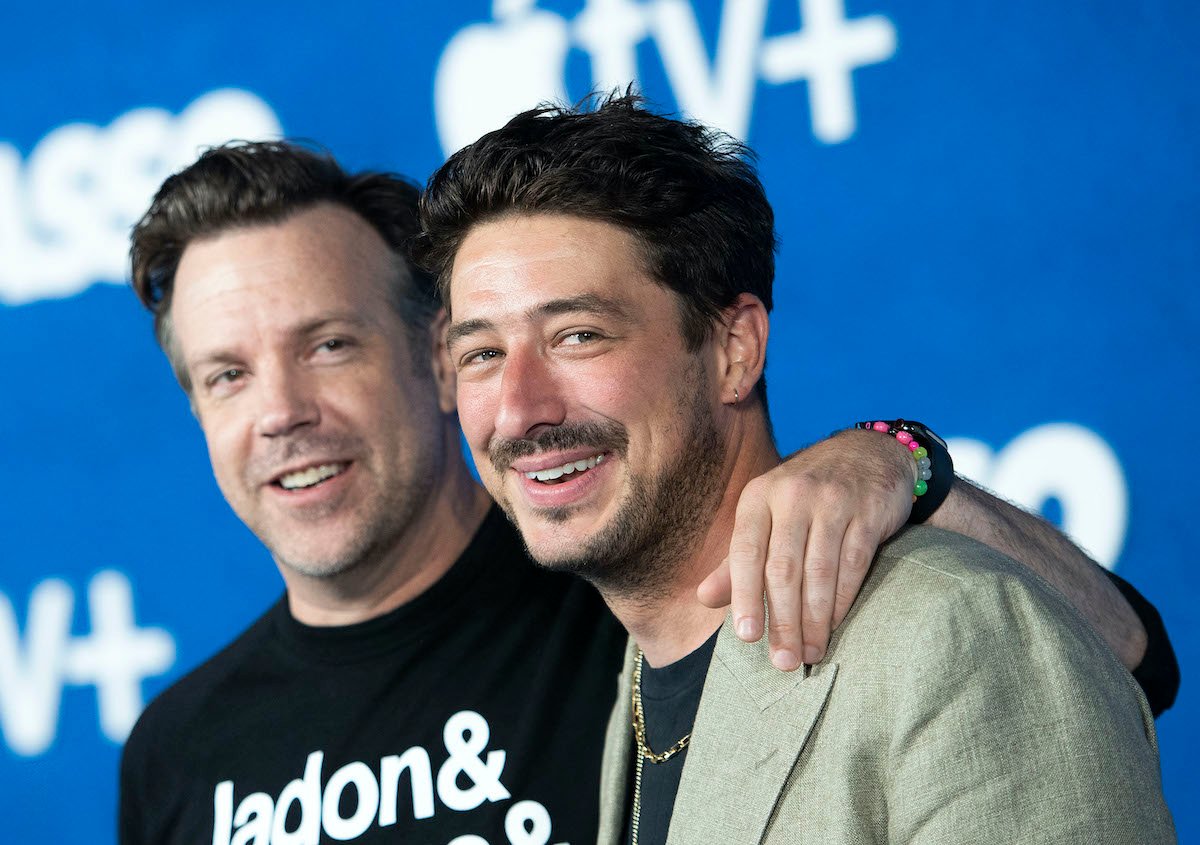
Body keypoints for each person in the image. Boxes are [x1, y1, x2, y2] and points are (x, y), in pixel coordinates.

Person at [120, 140, 1173, 845]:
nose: (281, 411)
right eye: (226, 373)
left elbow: (1116, 651)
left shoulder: (608, 585)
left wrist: (900, 459)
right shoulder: (174, 750)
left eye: (330, 344)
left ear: (421, 359)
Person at [420, 95, 1176, 843]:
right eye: (482, 354)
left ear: (734, 350)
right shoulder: (634, 684)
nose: (519, 411)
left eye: (578, 335)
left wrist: (905, 456)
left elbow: (1138, 655)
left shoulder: (951, 632)